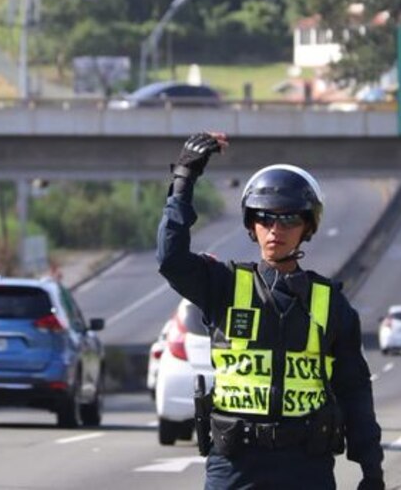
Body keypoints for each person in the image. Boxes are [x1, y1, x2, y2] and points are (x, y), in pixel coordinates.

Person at [156, 131, 385, 490]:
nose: (275, 230)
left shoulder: (330, 303)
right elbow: (170, 259)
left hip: (306, 464)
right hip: (235, 462)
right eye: (264, 218)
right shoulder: (224, 285)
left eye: (289, 219)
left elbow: (354, 390)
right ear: (251, 224)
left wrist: (371, 471)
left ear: (308, 226)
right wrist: (184, 179)